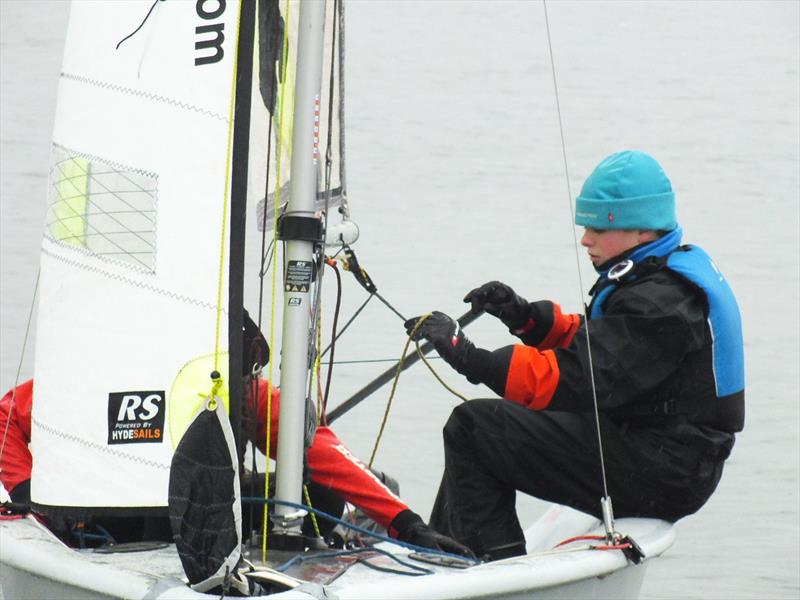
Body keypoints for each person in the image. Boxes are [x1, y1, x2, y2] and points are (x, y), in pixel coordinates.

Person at [404, 150, 745, 561]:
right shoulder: (656, 271)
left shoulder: (662, 303)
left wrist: (467, 355)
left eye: (598, 228)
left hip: (667, 472)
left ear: (641, 229)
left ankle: (496, 572)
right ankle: (445, 551)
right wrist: (525, 317)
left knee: (475, 428)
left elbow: (576, 378)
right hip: (659, 451)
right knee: (479, 431)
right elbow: (603, 347)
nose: (586, 238)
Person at [0, 314, 469, 556]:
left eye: (252, 372)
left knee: (321, 493)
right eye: (244, 370)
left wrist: (406, 523)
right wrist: (26, 492)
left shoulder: (248, 395)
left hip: (206, 514)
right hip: (119, 518)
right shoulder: (109, 384)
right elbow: (6, 418)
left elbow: (323, 452)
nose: (251, 382)